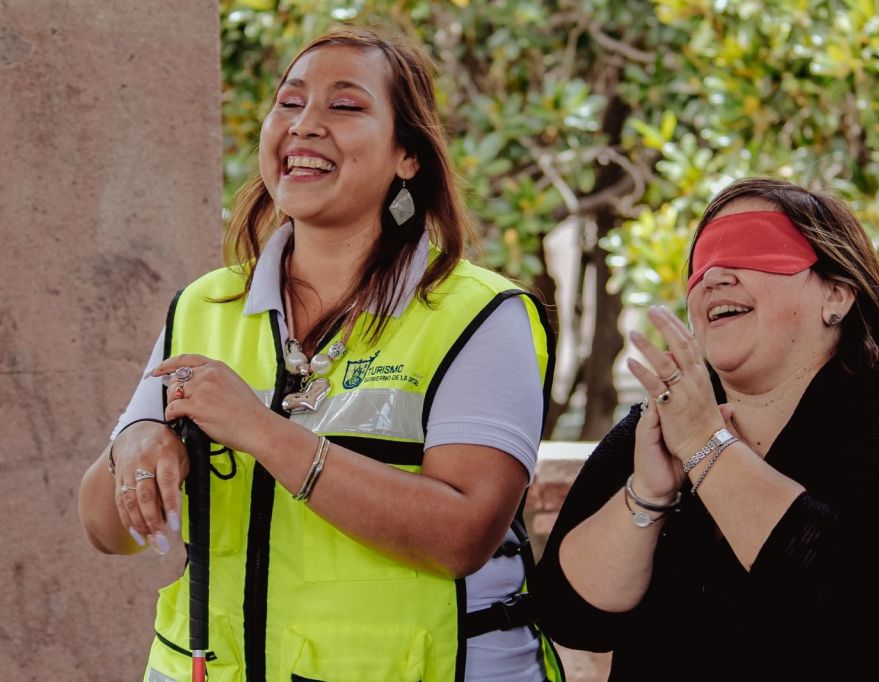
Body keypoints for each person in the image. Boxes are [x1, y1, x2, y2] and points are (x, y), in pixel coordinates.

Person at [79, 26, 562, 682]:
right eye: (289, 102)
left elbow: (462, 536)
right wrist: (134, 446)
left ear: (408, 155)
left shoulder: (480, 315)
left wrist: (262, 432)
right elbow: (105, 531)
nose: (305, 124)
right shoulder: (205, 306)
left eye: (345, 105)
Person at [533, 177, 879, 680]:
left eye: (752, 247)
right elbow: (569, 615)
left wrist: (706, 446)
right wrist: (648, 495)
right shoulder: (658, 424)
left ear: (837, 294)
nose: (713, 275)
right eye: (701, 264)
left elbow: (859, 615)